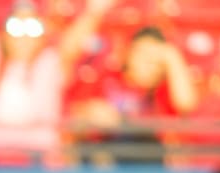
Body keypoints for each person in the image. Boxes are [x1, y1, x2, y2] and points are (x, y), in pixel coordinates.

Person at [0, 0, 115, 162]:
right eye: (15, 26)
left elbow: (73, 42)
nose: (24, 35)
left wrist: (95, 10)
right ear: (3, 32)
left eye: (32, 28)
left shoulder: (50, 62)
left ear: (42, 36)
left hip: (40, 162)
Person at [69, 26, 200, 165]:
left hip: (147, 166)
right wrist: (90, 114)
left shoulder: (163, 92)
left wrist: (173, 57)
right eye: (144, 55)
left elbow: (187, 104)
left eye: (156, 60)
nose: (150, 64)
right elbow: (75, 117)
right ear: (130, 53)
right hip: (103, 162)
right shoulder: (107, 79)